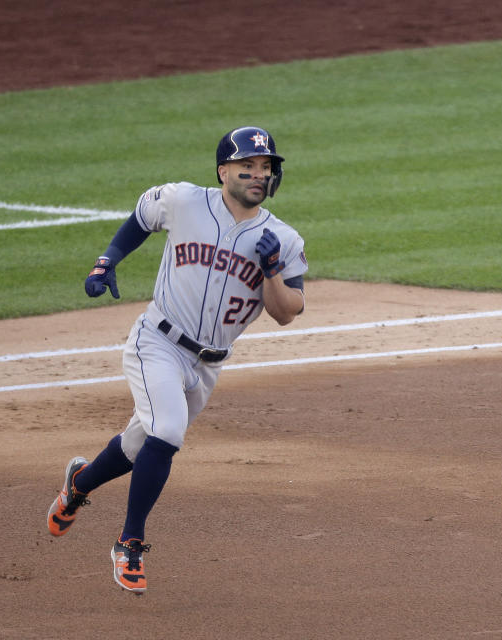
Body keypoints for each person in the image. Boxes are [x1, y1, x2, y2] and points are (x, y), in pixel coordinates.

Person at [46, 126, 308, 594]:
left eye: (266, 167)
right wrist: (106, 262)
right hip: (157, 343)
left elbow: (287, 312)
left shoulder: (282, 239)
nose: (257, 174)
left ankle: (78, 486)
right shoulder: (186, 200)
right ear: (223, 170)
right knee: (167, 431)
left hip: (208, 366)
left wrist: (271, 272)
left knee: (136, 447)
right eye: (247, 165)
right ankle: (129, 543)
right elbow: (142, 218)